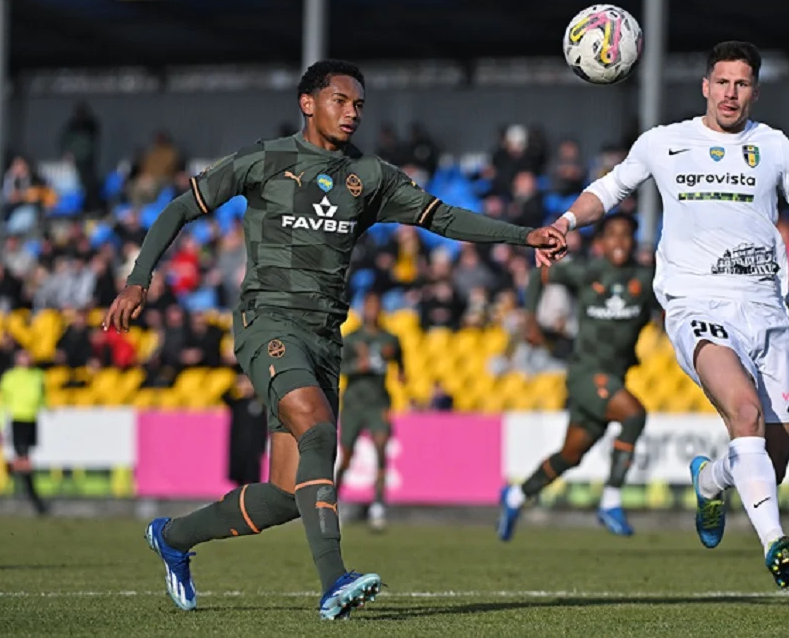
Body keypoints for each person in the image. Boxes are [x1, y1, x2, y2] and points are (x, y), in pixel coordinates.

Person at [103, 59, 567, 620]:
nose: (352, 113)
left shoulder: (369, 177)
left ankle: (172, 536)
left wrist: (524, 236)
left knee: (284, 496)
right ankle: (334, 582)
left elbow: (443, 218)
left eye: (359, 105)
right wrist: (138, 280)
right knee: (319, 430)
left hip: (325, 336)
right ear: (308, 103)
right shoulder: (266, 159)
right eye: (340, 101)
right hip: (268, 322)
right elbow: (181, 207)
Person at [540, 41, 789, 589]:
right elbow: (609, 190)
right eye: (722, 82)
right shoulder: (664, 142)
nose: (731, 93)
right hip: (695, 304)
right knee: (745, 413)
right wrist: (565, 222)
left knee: (771, 463)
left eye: (742, 84)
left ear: (755, 91)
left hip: (764, 309)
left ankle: (710, 481)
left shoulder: (774, 147)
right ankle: (775, 543)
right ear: (706, 87)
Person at [498, 213, 658, 540]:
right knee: (634, 415)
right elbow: (538, 275)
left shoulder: (646, 278)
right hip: (585, 373)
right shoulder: (587, 272)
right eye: (612, 234)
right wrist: (531, 319)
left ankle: (515, 497)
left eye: (626, 235)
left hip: (614, 376)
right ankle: (611, 501)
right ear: (600, 243)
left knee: (570, 455)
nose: (619, 241)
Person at [335, 293, 403, 532]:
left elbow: (400, 361)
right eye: (369, 307)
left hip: (378, 403)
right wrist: (358, 366)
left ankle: (378, 507)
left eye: (376, 307)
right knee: (346, 456)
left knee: (382, 449)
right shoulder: (352, 339)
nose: (372, 311)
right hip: (354, 403)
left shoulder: (389, 339)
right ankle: (333, 502)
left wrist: (401, 374)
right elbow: (340, 367)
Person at [0, 349, 48, 516]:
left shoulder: (38, 376)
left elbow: (43, 398)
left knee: (26, 459)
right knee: (25, 460)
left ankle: (10, 471)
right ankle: (35, 499)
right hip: (18, 420)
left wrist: (48, 411)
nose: (27, 359)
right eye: (23, 356)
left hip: (32, 420)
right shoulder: (9, 378)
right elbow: (1, 403)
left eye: (28, 356)